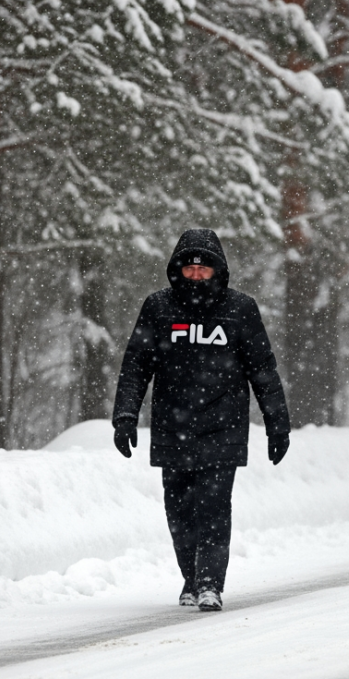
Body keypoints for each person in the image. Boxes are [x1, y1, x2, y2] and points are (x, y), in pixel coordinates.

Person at [112, 228, 290, 612]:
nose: (196, 275)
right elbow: (136, 365)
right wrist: (125, 415)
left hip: (222, 427)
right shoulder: (158, 308)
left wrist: (278, 423)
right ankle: (190, 580)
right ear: (178, 269)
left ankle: (210, 582)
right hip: (171, 428)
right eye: (190, 268)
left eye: (204, 269)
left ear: (217, 271)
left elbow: (263, 371)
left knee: (212, 507)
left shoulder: (240, 309)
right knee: (178, 511)